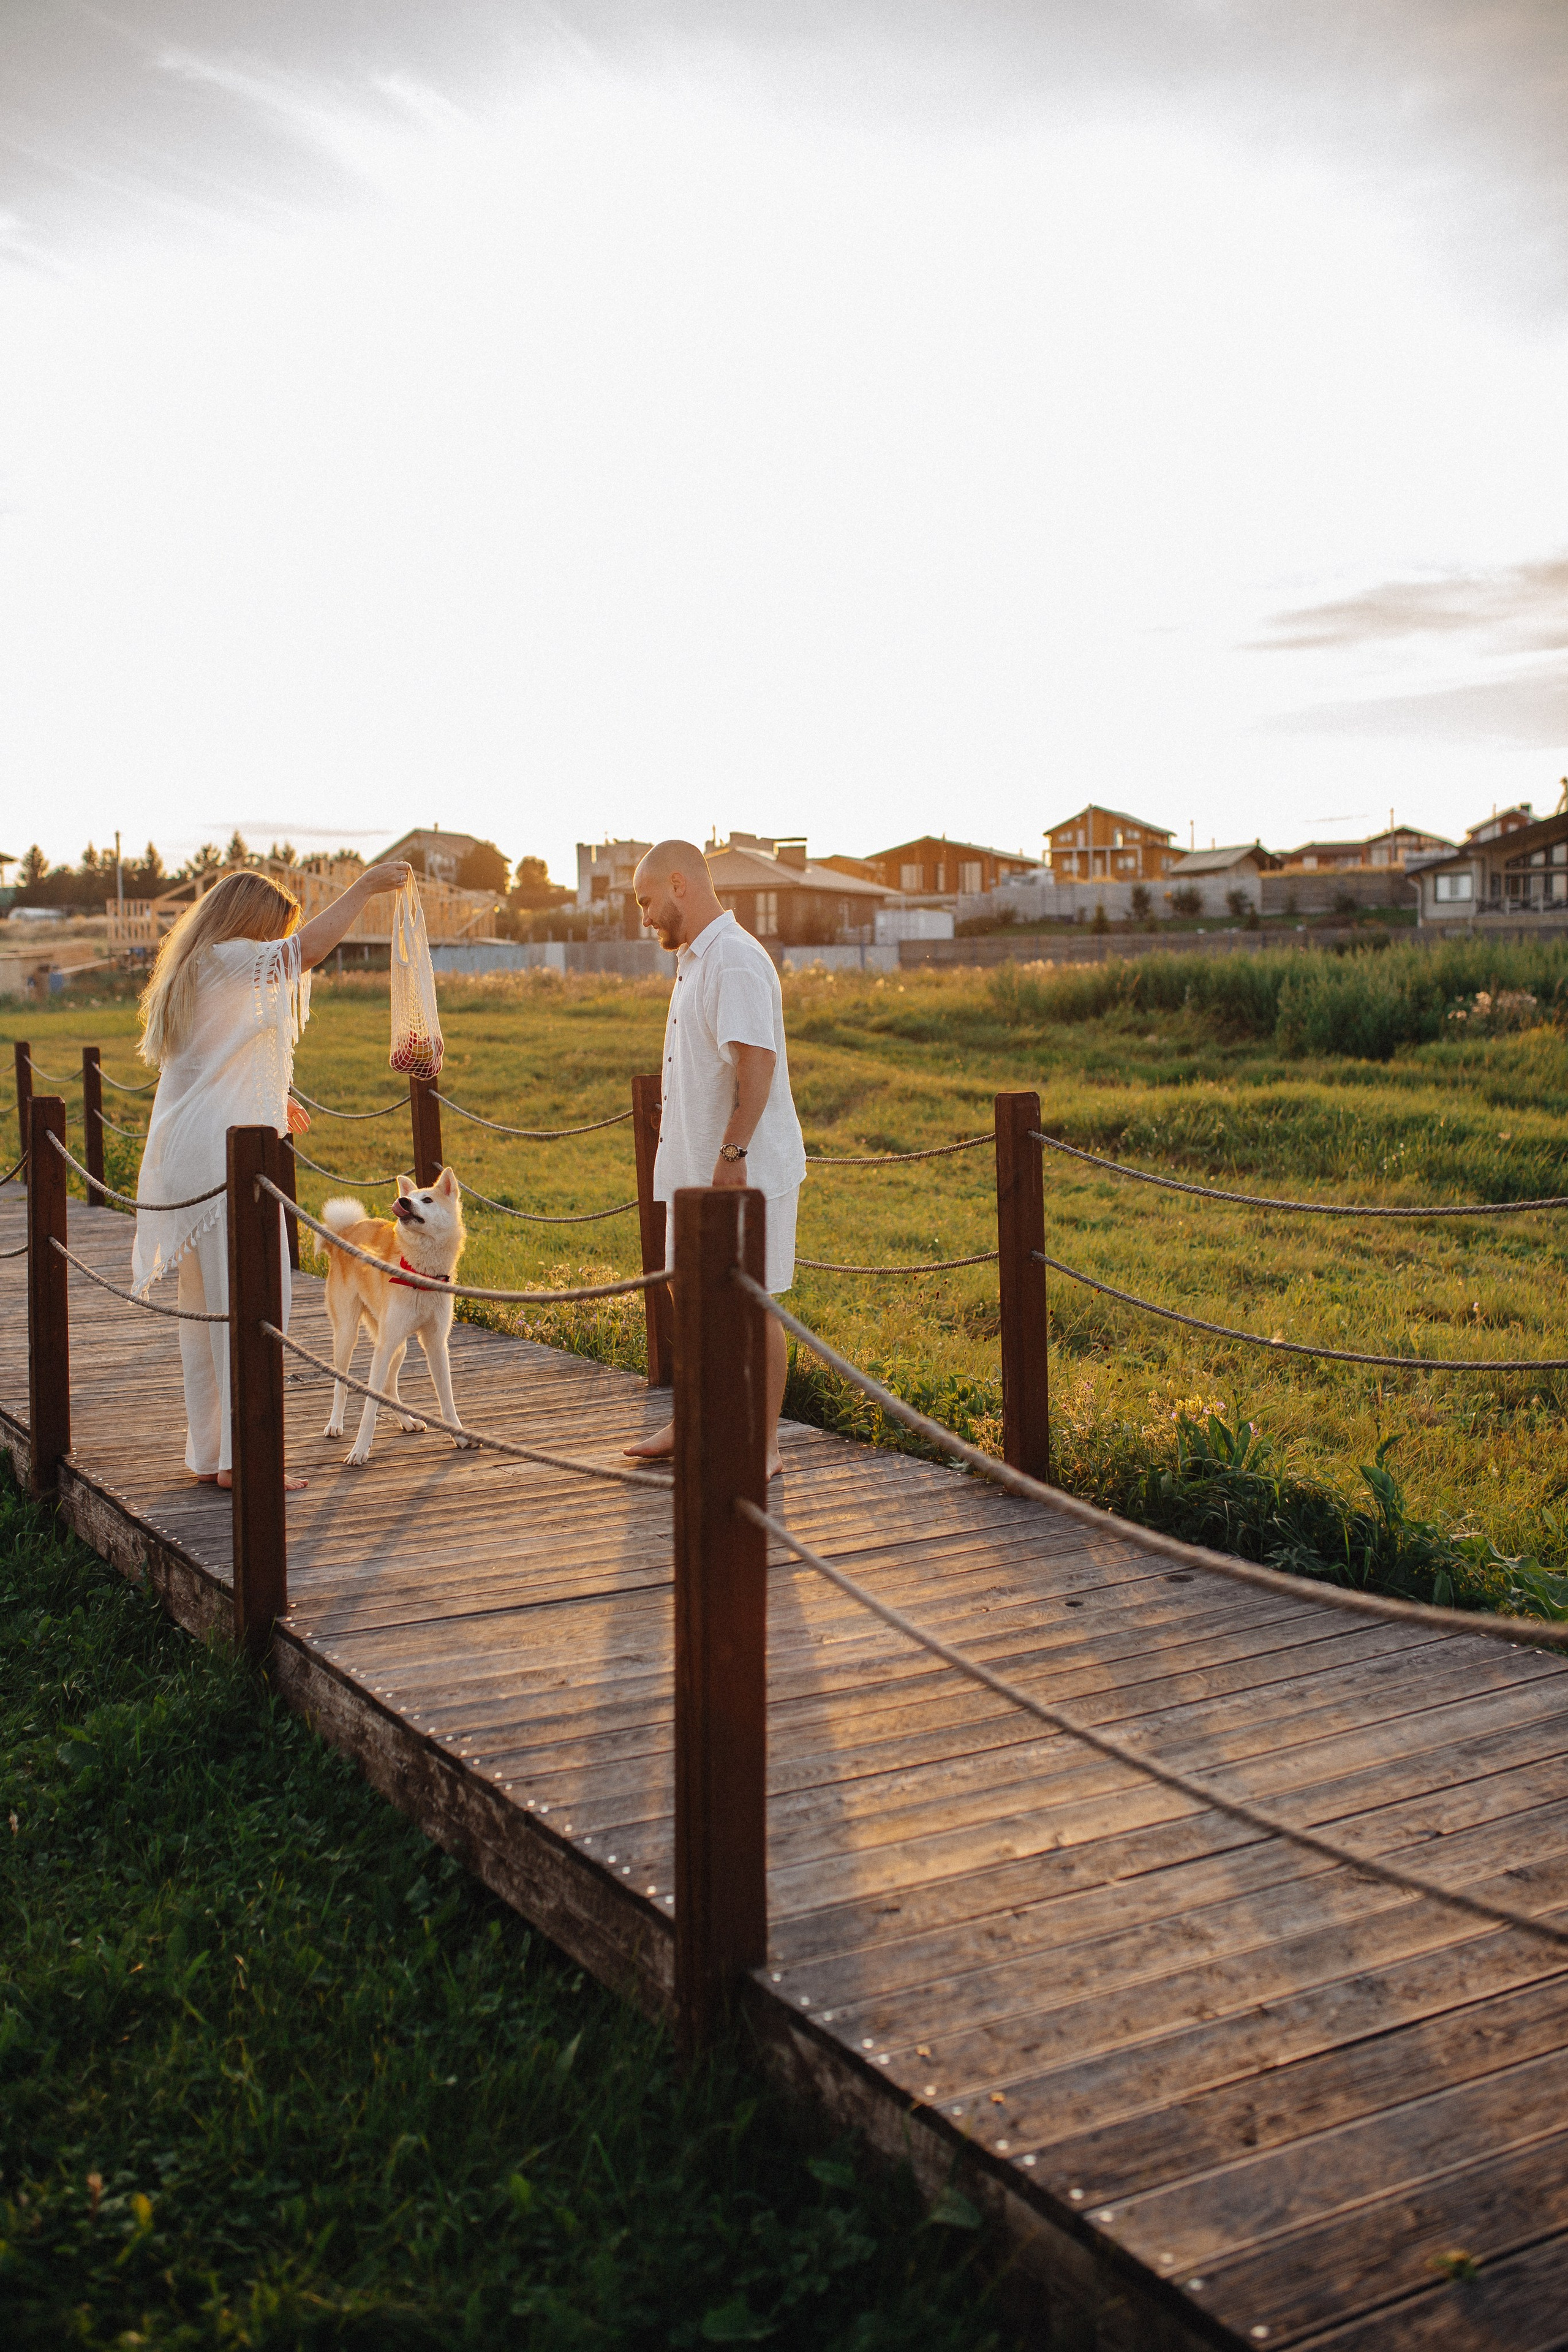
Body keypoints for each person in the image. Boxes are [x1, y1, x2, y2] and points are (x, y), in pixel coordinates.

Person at [131, 858, 413, 1489]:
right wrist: (365, 888)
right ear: (252, 924)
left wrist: (269, 1098)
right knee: (257, 1302)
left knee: (209, 1312)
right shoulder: (230, 956)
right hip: (221, 1158)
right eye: (275, 931)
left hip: (190, 1154)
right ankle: (246, 1461)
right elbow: (305, 952)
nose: (277, 945)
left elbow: (215, 1057)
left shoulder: (198, 963)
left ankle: (215, 1456)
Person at [624, 839, 805, 1477]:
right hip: (693, 1171)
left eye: (646, 901)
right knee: (691, 1294)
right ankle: (694, 1420)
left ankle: (764, 1444)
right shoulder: (695, 961)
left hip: (744, 1171)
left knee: (755, 1305)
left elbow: (757, 1064)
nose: (644, 916)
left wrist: (732, 1152)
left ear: (680, 884)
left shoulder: (733, 958)